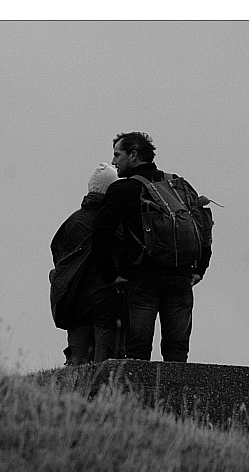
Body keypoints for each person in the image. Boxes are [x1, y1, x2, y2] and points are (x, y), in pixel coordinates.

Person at [90, 132, 212, 362]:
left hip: (141, 279)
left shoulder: (123, 189)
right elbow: (203, 226)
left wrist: (111, 275)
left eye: (118, 155)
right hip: (181, 277)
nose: (114, 162)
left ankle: (139, 398)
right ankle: (176, 397)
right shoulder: (178, 185)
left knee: (137, 350)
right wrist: (198, 269)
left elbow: (100, 234)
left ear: (134, 155)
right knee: (177, 351)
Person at [49, 162, 123, 365]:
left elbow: (60, 258)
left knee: (78, 364)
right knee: (107, 364)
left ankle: (74, 397)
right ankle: (106, 397)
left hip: (75, 301)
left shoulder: (71, 222)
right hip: (107, 300)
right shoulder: (115, 223)